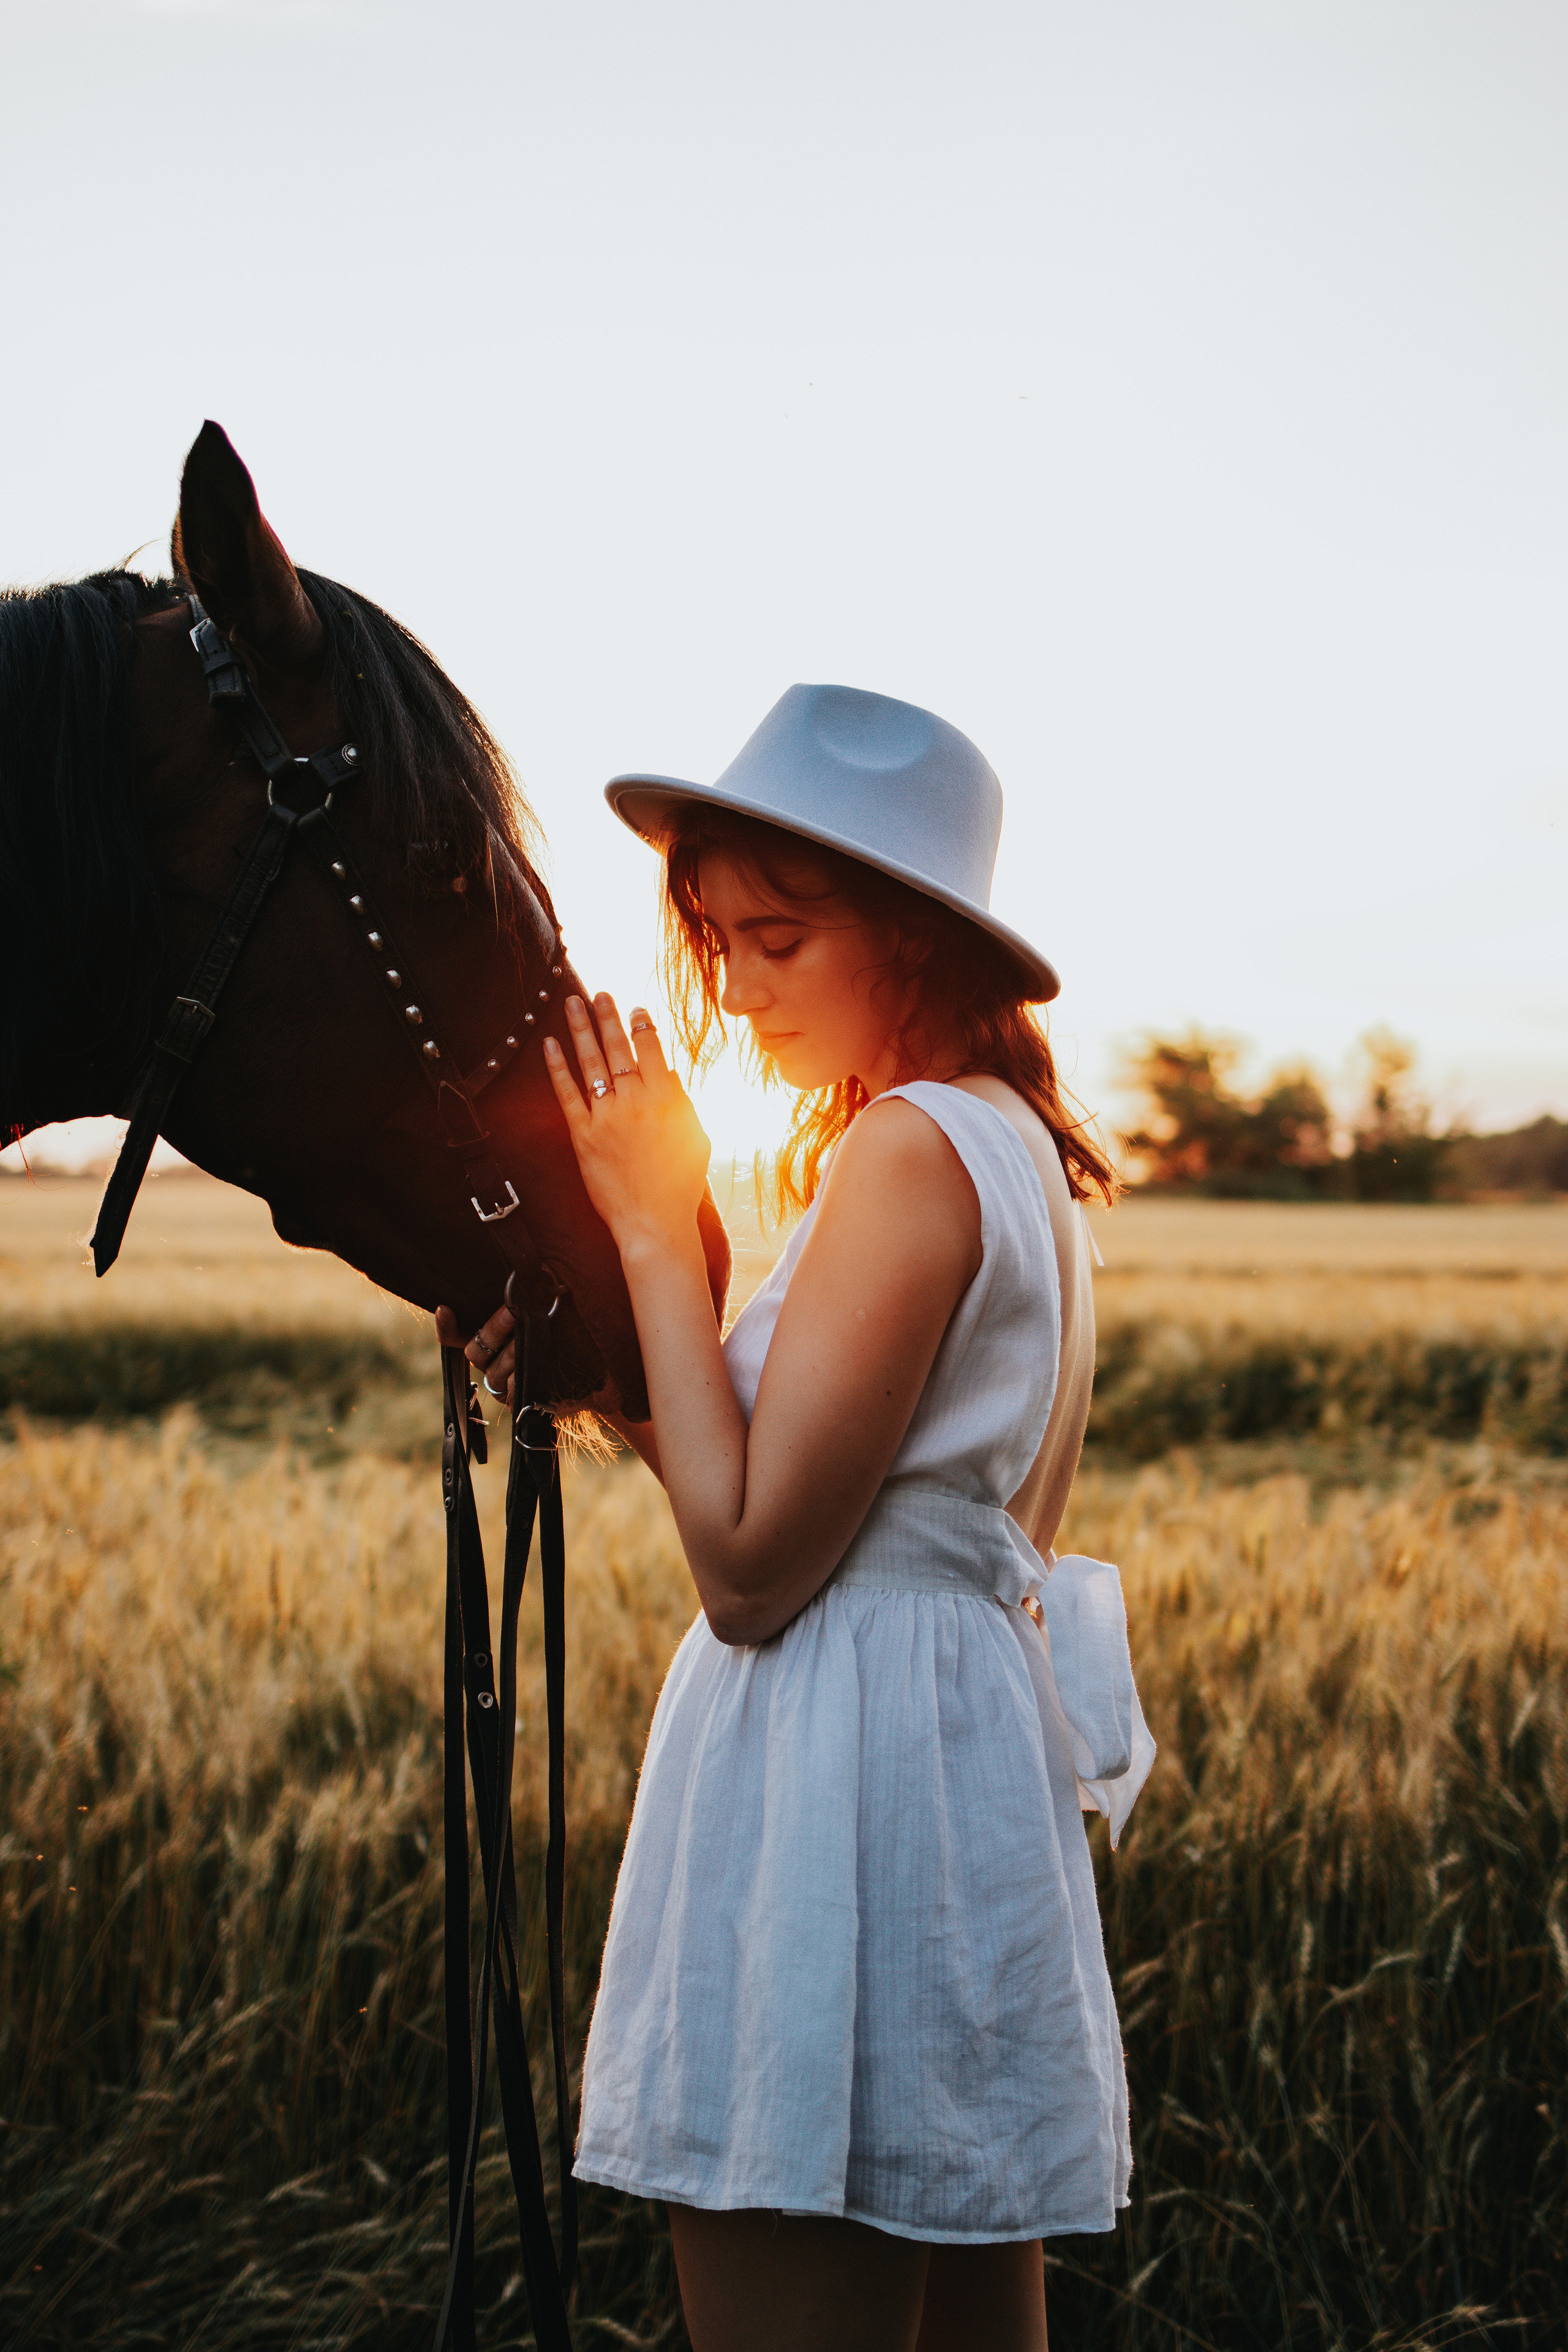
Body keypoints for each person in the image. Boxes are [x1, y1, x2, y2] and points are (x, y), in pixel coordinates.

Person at [453, 685, 1154, 2352]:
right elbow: (821, 1489)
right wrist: (590, 1378)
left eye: (778, 940)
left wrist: (642, 1222)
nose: (740, 988)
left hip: (845, 1791)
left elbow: (757, 1569)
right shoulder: (1014, 1154)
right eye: (719, 942)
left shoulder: (908, 1155)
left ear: (914, 936)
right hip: (949, 1761)